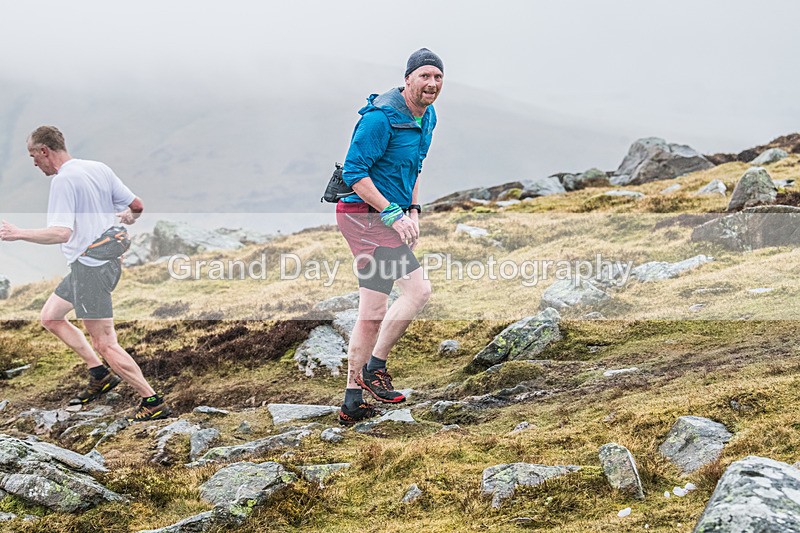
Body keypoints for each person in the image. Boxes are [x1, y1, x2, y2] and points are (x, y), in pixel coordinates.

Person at [0, 126, 171, 422]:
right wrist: (128, 217)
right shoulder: (97, 168)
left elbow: (61, 233)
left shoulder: (63, 181)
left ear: (44, 151)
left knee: (105, 343)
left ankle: (152, 401)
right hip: (95, 265)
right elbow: (137, 206)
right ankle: (99, 374)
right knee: (51, 317)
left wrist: (18, 233)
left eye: (32, 156)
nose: (34, 163)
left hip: (92, 271)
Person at [336, 48, 444, 425]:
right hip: (363, 218)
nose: (432, 83)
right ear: (408, 78)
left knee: (375, 312)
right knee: (414, 292)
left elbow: (415, 168)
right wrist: (393, 214)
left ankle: (353, 400)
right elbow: (354, 173)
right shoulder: (380, 118)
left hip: (386, 218)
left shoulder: (427, 116)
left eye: (438, 77)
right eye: (424, 76)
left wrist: (412, 211)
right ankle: (373, 369)